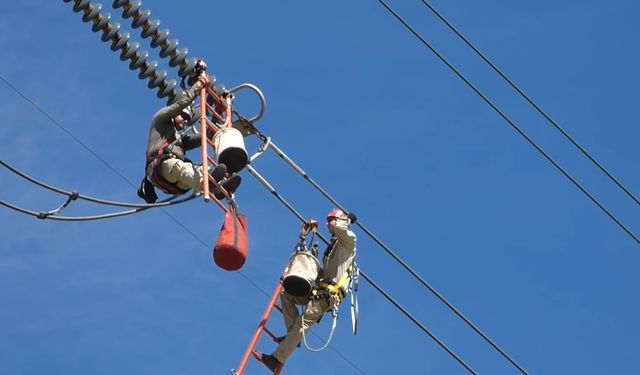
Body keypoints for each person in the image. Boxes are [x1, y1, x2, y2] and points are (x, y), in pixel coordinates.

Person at [256, 209, 357, 372]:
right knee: (286, 294)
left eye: (330, 219)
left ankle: (276, 359)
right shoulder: (335, 248)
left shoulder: (349, 240)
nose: (327, 223)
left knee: (303, 323)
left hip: (327, 296)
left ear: (339, 220)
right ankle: (292, 337)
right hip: (320, 289)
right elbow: (325, 272)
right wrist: (304, 236)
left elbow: (342, 229)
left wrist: (347, 218)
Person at [140, 59, 241, 202]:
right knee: (181, 167)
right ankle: (207, 184)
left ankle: (220, 186)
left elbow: (206, 136)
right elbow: (183, 103)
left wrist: (219, 109)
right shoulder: (160, 120)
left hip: (178, 183)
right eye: (184, 116)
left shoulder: (179, 141)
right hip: (161, 169)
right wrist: (200, 83)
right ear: (175, 114)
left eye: (188, 118)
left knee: (198, 169)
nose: (186, 120)